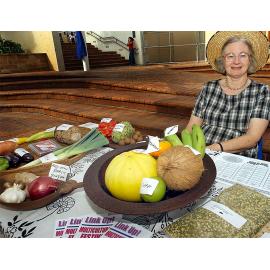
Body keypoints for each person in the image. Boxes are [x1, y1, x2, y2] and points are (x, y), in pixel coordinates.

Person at [186, 31, 270, 158]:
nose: (236, 61)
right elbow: (191, 128)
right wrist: (189, 151)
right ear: (223, 61)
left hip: (237, 156)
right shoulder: (208, 88)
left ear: (250, 59)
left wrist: (212, 149)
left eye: (243, 55)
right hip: (200, 152)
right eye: (230, 56)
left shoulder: (262, 92)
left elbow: (252, 138)